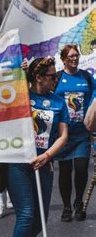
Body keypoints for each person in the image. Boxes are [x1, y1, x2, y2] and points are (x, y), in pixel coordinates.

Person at [7, 57, 68, 236]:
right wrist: (16, 69)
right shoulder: (20, 97)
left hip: (43, 165)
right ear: (39, 78)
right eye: (52, 76)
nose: (56, 80)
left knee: (40, 220)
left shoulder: (58, 102)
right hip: (18, 163)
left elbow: (63, 136)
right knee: (26, 215)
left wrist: (47, 156)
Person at [53, 44, 95, 221]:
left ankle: (78, 201)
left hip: (81, 134)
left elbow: (94, 96)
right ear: (63, 59)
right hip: (63, 135)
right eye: (71, 56)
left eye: (76, 56)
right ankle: (67, 207)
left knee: (81, 168)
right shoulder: (56, 78)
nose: (75, 59)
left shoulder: (86, 77)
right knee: (64, 171)